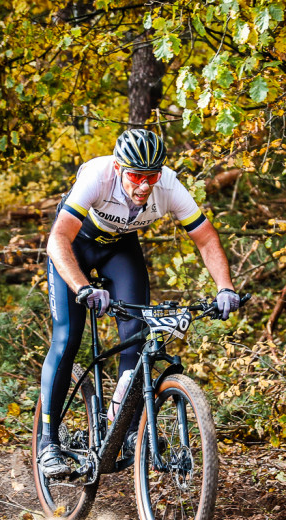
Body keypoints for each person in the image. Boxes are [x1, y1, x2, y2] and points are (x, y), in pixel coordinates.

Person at [39, 129, 240, 478]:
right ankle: (48, 442)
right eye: (136, 175)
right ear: (119, 169)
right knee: (68, 337)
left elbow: (206, 239)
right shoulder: (97, 176)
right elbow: (58, 239)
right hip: (75, 246)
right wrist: (82, 286)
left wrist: (225, 287)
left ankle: (129, 431)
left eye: (152, 176)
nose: (145, 185)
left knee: (137, 337)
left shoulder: (170, 187)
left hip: (120, 249)